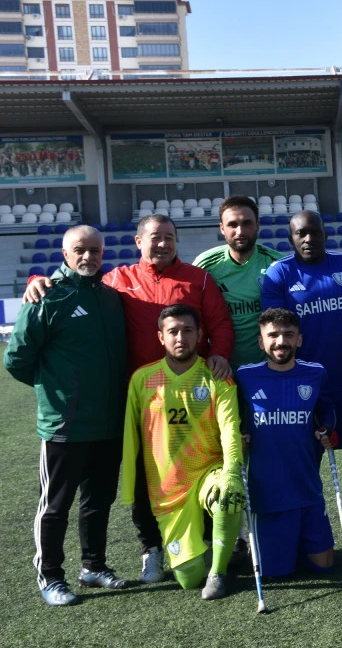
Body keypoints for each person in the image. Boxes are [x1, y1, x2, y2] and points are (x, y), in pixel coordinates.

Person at [24, 213, 235, 584]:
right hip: (139, 395)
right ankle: (150, 547)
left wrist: (219, 352)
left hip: (192, 392)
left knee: (201, 462)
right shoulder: (117, 281)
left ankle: (204, 538)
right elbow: (75, 282)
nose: (163, 243)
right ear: (138, 242)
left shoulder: (198, 279)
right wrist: (37, 280)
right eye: (155, 237)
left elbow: (219, 322)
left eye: (169, 237)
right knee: (142, 471)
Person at [5, 226, 130, 605]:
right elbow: (16, 360)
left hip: (109, 423)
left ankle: (93, 566)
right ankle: (50, 576)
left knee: (98, 500)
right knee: (55, 505)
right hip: (65, 426)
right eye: (80, 250)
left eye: (94, 249)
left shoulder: (110, 298)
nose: (88, 256)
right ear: (65, 252)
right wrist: (56, 394)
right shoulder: (47, 297)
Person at [121, 305, 243, 600]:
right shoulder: (142, 379)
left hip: (207, 474)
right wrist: (128, 489)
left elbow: (230, 428)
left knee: (229, 491)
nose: (180, 338)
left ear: (200, 335)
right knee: (188, 578)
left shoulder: (217, 377)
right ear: (160, 337)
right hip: (168, 490)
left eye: (187, 330)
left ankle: (219, 571)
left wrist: (232, 470)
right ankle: (207, 548)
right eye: (172, 331)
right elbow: (130, 439)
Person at [236, 309, 337, 578]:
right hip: (267, 496)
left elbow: (327, 411)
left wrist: (326, 429)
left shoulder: (315, 373)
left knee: (324, 566)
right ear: (261, 341)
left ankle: (293, 542)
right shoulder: (245, 376)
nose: (281, 341)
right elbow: (234, 417)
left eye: (288, 335)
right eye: (273, 335)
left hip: (307, 489)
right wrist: (241, 433)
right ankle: (266, 545)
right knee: (274, 573)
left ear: (299, 340)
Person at [261, 211, 342, 442]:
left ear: (325, 234)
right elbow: (276, 330)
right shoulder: (279, 272)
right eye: (300, 233)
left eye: (314, 232)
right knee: (306, 453)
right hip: (302, 382)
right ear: (290, 239)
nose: (308, 239)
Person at [193, 195, 285, 372]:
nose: (240, 231)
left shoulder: (278, 264)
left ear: (257, 225)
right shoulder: (205, 265)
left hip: (269, 368)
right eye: (232, 225)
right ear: (222, 228)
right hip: (220, 367)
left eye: (247, 223)